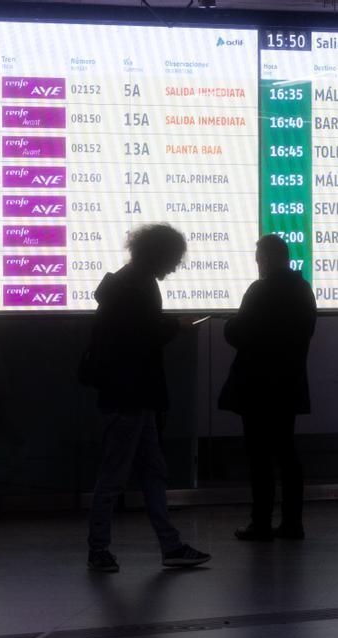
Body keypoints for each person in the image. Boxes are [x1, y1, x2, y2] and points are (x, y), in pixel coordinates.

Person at [83, 223, 211, 573]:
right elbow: (142, 338)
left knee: (141, 473)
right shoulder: (139, 287)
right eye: (173, 259)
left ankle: (165, 545)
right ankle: (101, 549)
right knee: (125, 475)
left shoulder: (125, 282)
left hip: (126, 395)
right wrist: (177, 327)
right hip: (132, 395)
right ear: (161, 254)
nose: (174, 267)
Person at [219, 234, 316, 541]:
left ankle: (260, 522)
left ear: (268, 258)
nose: (257, 261)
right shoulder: (303, 290)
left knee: (259, 456)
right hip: (288, 384)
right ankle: (292, 522)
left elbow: (239, 333)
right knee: (287, 452)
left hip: (257, 386)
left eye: (259, 256)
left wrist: (228, 324)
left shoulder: (259, 291)